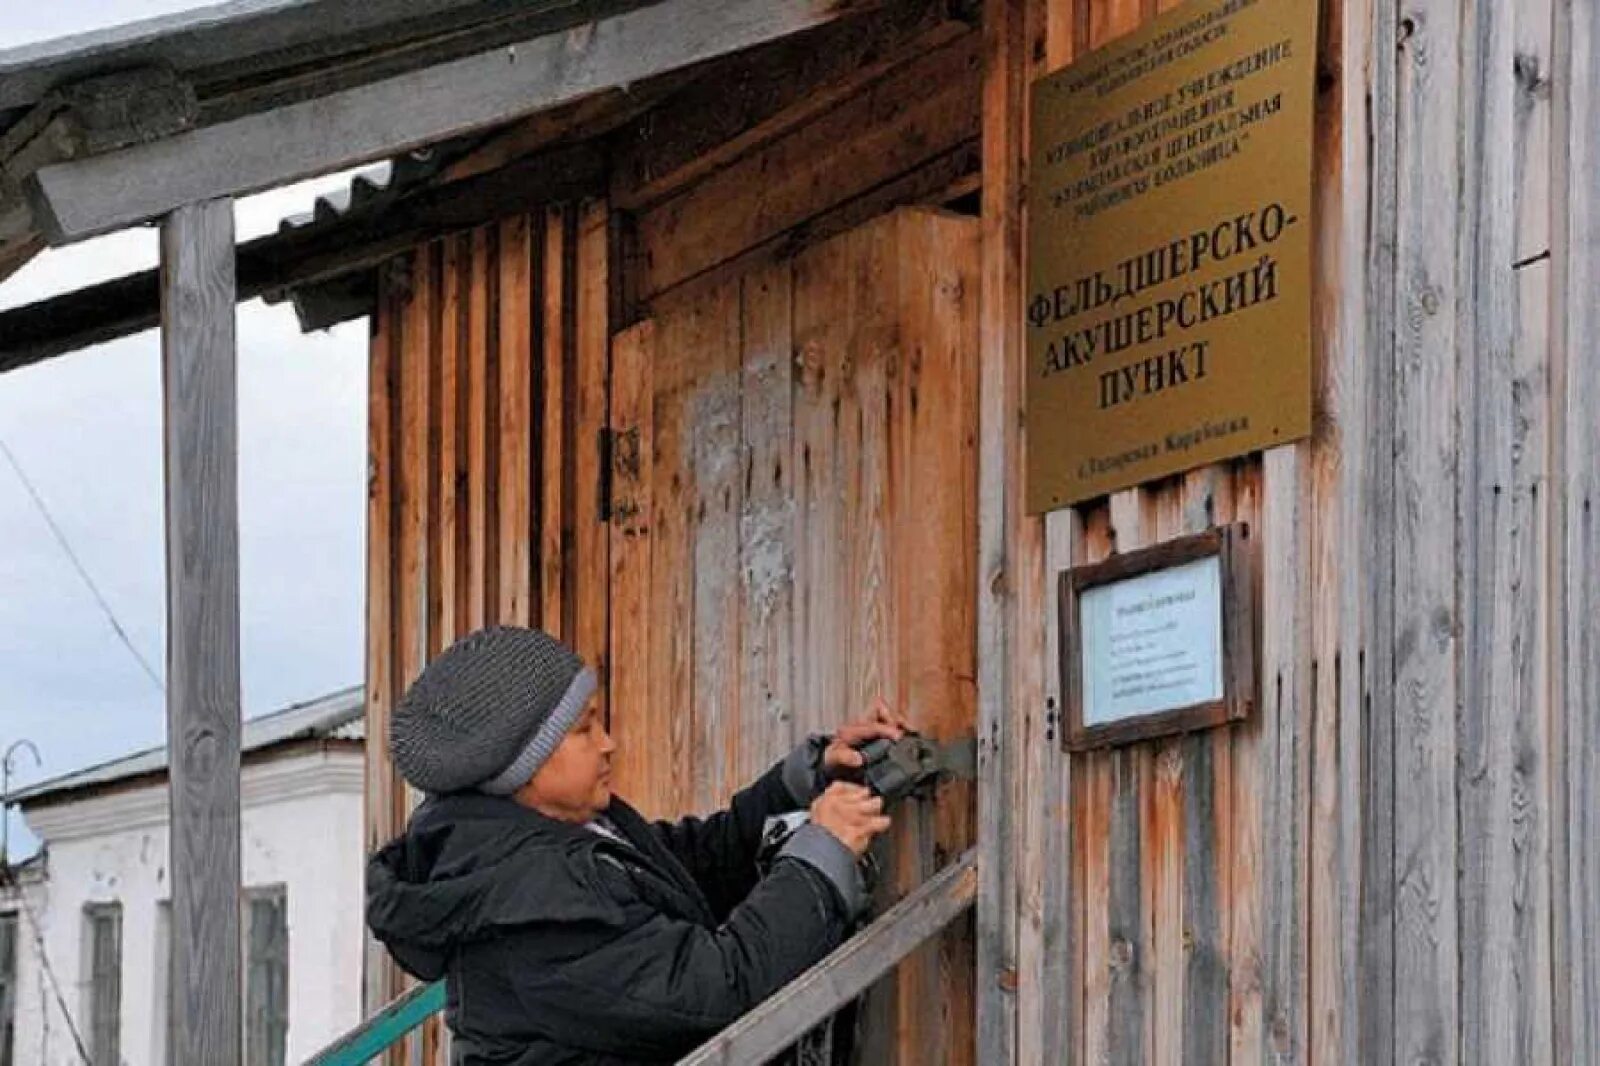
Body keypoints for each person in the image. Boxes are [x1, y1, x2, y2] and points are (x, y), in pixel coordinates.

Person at [366, 625, 905, 1065]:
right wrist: (819, 855)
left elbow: (692, 864)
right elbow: (718, 990)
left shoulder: (565, 839)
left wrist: (800, 781)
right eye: (584, 729)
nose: (609, 743)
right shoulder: (534, 906)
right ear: (520, 769)